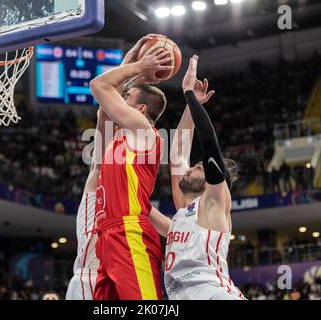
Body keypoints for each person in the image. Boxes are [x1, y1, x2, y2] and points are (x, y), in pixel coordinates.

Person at [152, 56, 246, 300]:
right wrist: (189, 109)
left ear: (212, 179)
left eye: (198, 167)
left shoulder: (214, 200)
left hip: (215, 294)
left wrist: (189, 96)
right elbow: (179, 152)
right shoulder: (185, 210)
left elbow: (208, 143)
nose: (190, 168)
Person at [89, 34, 171, 300]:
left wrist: (139, 69)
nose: (120, 98)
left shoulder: (144, 131)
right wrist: (130, 61)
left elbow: (99, 85)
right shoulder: (118, 137)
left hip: (130, 231)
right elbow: (104, 105)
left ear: (141, 108)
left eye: (127, 96)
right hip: (108, 235)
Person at [65, 108, 108, 300]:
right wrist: (107, 107)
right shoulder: (95, 202)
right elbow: (97, 166)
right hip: (89, 279)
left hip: (110, 280)